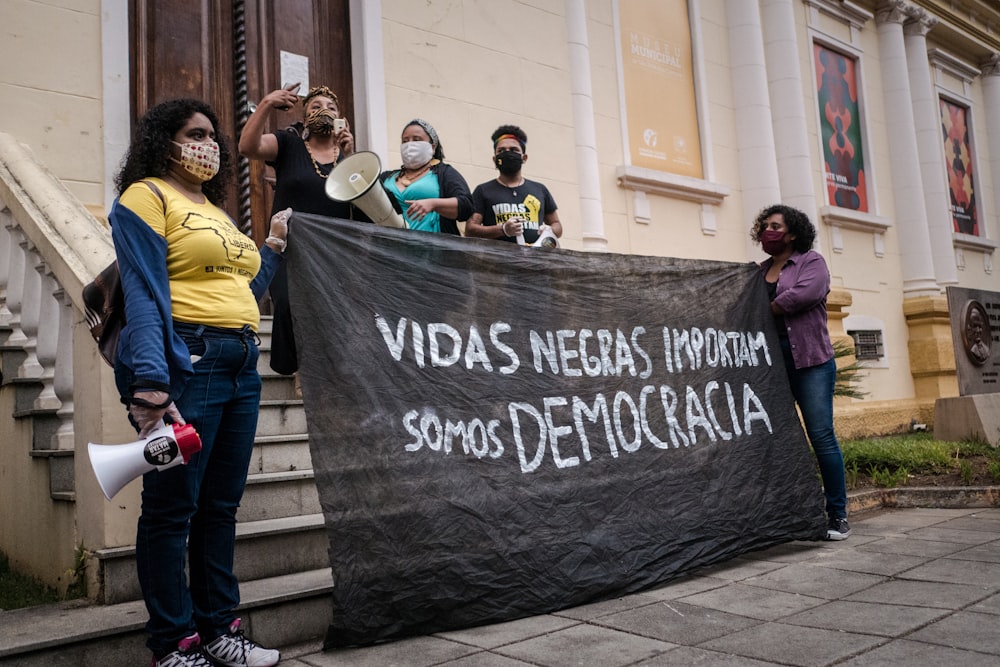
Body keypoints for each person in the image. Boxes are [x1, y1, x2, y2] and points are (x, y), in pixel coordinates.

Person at [111, 98, 286, 666]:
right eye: (196, 134)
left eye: (213, 136)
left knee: (221, 507)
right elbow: (141, 292)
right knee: (171, 509)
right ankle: (174, 643)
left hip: (241, 359)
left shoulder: (215, 208)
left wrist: (274, 246)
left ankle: (219, 631)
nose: (208, 145)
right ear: (164, 141)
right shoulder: (145, 196)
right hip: (190, 359)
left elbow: (247, 290)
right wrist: (152, 383)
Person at [239, 84, 356, 376]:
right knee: (290, 304)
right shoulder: (289, 144)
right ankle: (301, 368)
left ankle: (319, 374)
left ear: (342, 120)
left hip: (333, 253)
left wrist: (350, 155)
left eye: (330, 108)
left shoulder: (350, 158)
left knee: (330, 312)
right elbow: (247, 147)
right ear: (305, 118)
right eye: (315, 107)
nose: (323, 111)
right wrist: (267, 103)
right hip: (289, 249)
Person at [751, 204, 850, 541]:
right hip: (772, 368)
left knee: (821, 436)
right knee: (773, 438)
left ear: (792, 232)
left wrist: (763, 309)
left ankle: (837, 515)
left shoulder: (812, 263)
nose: (768, 231)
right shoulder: (758, 271)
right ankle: (786, 513)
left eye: (775, 225)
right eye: (764, 225)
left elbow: (802, 295)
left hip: (810, 363)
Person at [465, 124, 562, 245]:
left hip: (535, 261)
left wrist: (549, 230)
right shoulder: (483, 190)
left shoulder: (540, 189)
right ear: (495, 160)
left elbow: (557, 225)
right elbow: (470, 230)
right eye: (501, 151)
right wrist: (503, 229)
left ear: (524, 158)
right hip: (497, 261)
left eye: (513, 150)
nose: (507, 154)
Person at [380, 118, 472, 234]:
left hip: (434, 249)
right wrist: (350, 154)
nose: (409, 145)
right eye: (405, 141)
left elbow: (466, 206)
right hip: (389, 249)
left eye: (416, 139)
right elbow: (363, 198)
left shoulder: (444, 173)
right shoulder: (387, 177)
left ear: (432, 147)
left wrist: (434, 204)